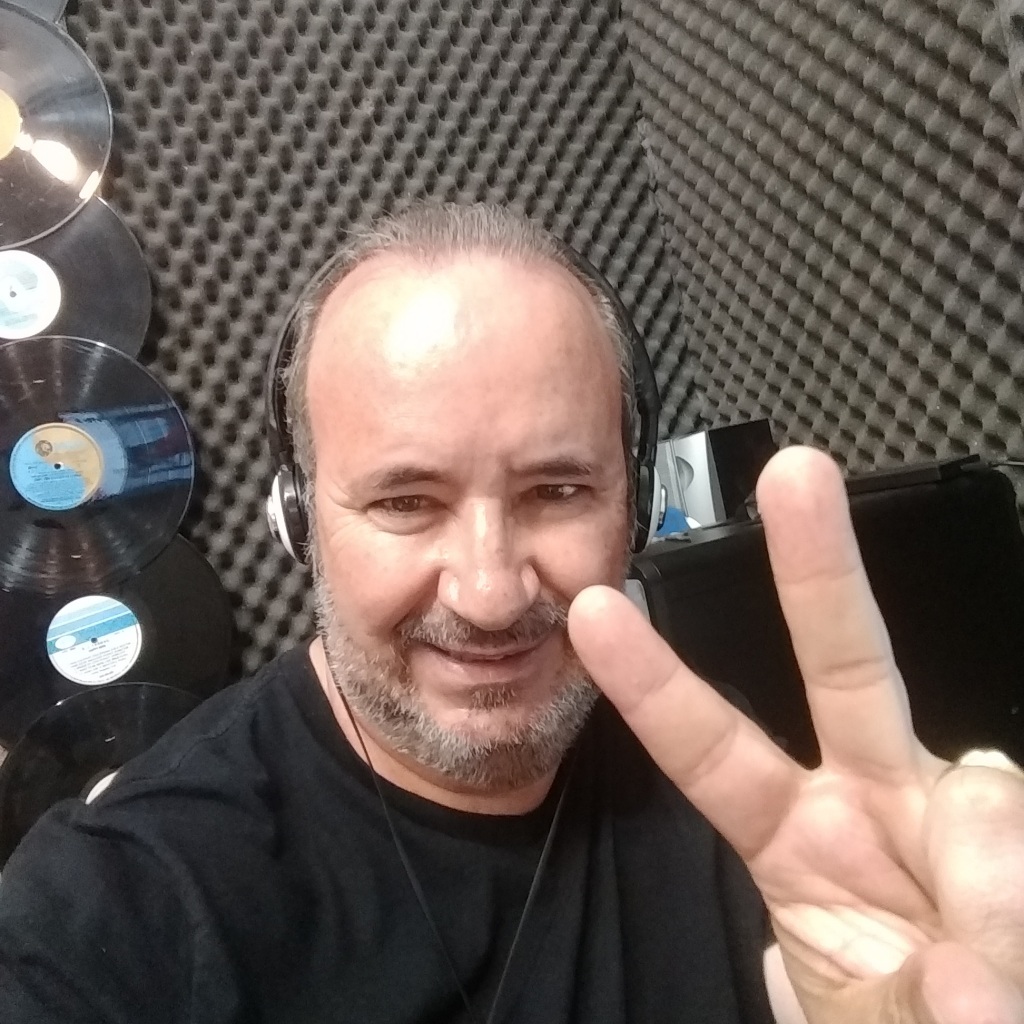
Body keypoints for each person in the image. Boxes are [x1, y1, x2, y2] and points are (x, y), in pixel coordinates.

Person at [0, 203, 1022, 1024]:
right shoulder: (121, 904)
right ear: (299, 521)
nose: (490, 594)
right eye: (407, 501)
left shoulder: (722, 774)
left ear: (633, 504)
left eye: (557, 490)